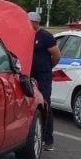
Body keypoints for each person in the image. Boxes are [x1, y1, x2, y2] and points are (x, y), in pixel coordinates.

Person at [28, 11, 61, 150]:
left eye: (29, 22)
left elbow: (56, 55)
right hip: (29, 75)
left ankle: (48, 139)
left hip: (43, 76)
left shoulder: (46, 36)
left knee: (45, 104)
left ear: (35, 22)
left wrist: (48, 67)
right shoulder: (25, 35)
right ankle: (33, 135)